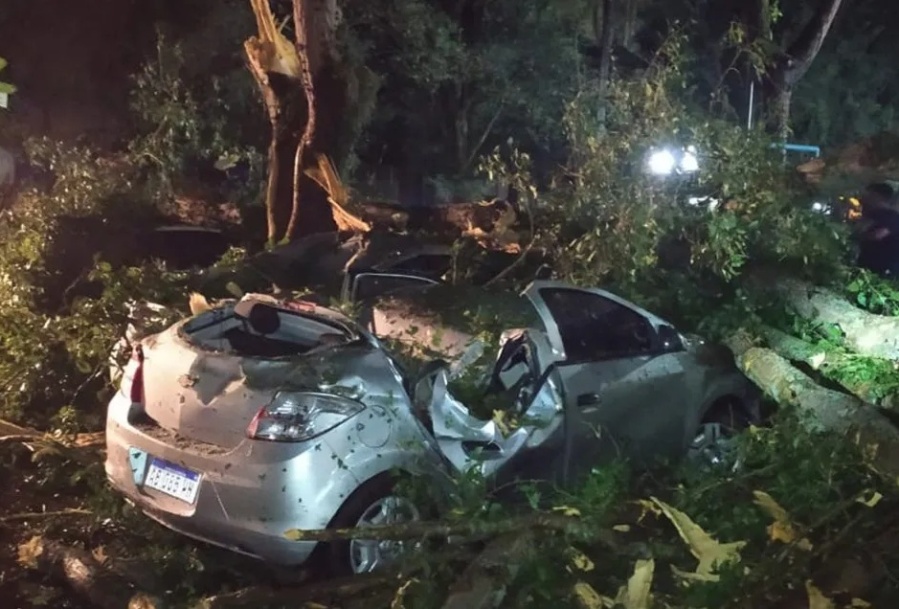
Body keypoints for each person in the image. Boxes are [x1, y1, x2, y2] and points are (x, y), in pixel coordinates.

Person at [856, 182, 899, 277]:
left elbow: (878, 235)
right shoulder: (869, 214)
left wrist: (858, 236)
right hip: (865, 266)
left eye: (869, 195)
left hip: (884, 269)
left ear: (878, 196)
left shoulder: (892, 217)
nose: (864, 198)